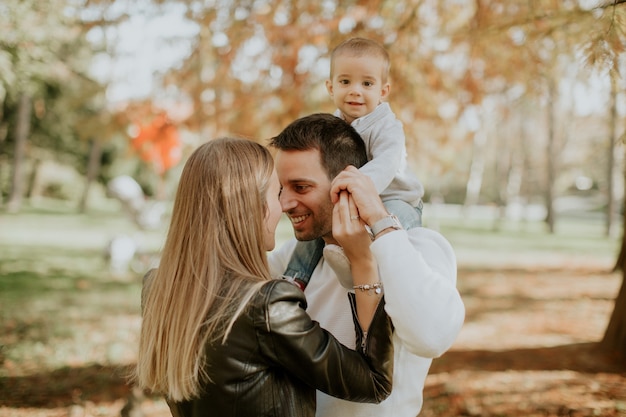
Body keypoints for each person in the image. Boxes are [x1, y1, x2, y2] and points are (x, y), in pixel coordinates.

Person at [134, 137, 394, 417]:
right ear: (252, 208)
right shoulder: (265, 305)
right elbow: (374, 383)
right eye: (276, 193)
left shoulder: (158, 288)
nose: (283, 206)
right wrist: (363, 261)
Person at [268, 114, 465, 417]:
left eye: (301, 187)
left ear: (347, 184)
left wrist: (379, 224)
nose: (285, 203)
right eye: (282, 188)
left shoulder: (421, 247)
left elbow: (432, 337)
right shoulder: (297, 258)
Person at [284, 37, 424, 290]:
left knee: (393, 226)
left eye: (367, 83)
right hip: (349, 196)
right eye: (345, 81)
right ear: (330, 87)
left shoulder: (387, 127)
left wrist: (355, 185)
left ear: (383, 91)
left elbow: (386, 163)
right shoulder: (333, 126)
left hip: (396, 198)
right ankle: (294, 277)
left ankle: (362, 267)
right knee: (317, 222)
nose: (355, 90)